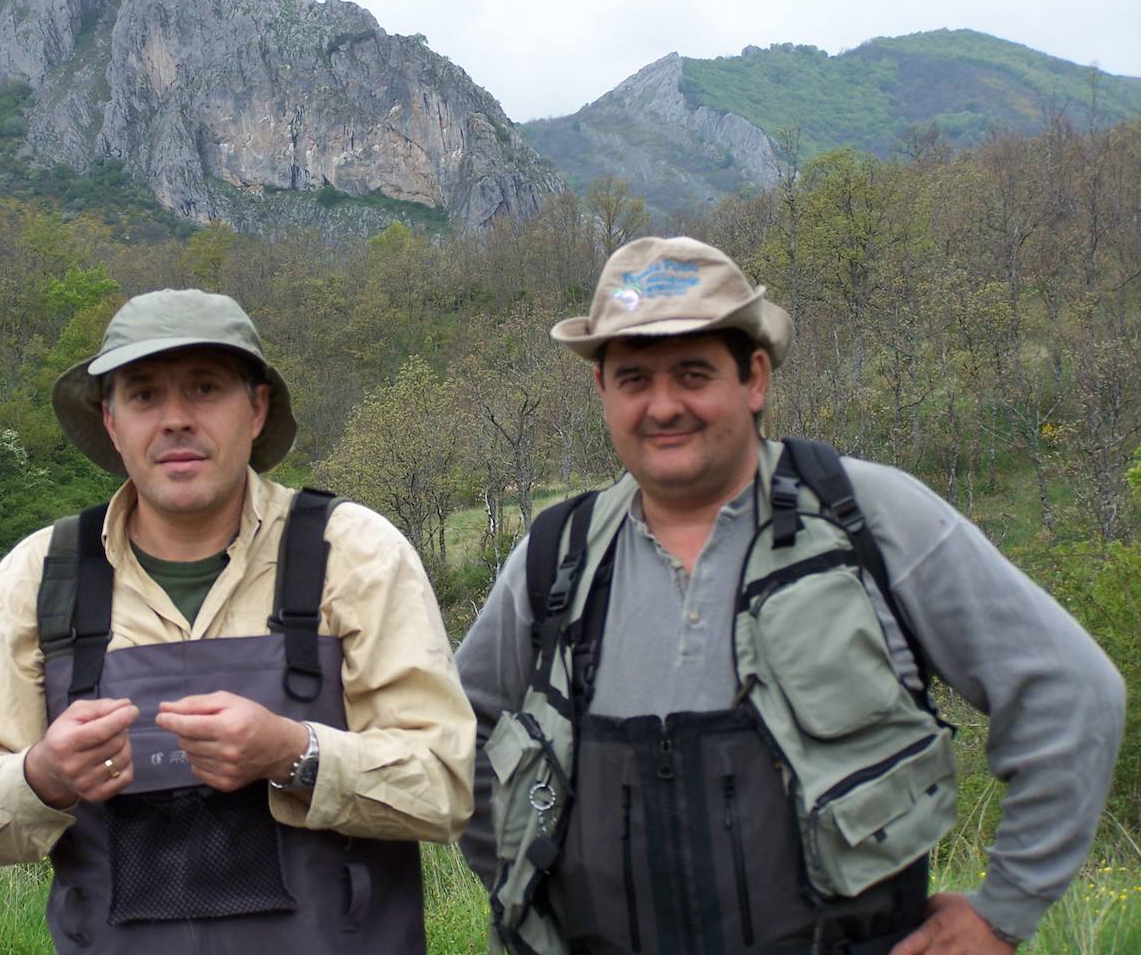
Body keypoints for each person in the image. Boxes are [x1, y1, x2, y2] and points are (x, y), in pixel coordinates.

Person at [457, 236, 1125, 954]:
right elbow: (457, 733)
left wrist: (1003, 908)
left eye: (692, 373)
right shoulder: (557, 558)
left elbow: (1072, 690)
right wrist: (525, 885)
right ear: (603, 393)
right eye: (634, 379)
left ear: (755, 378)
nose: (663, 406)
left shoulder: (866, 516)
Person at [0, 288, 475, 953]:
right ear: (111, 420)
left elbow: (447, 785)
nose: (176, 419)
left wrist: (295, 753)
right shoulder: (35, 580)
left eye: (206, 388)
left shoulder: (356, 554)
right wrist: (44, 775)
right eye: (145, 395)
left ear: (257, 408)